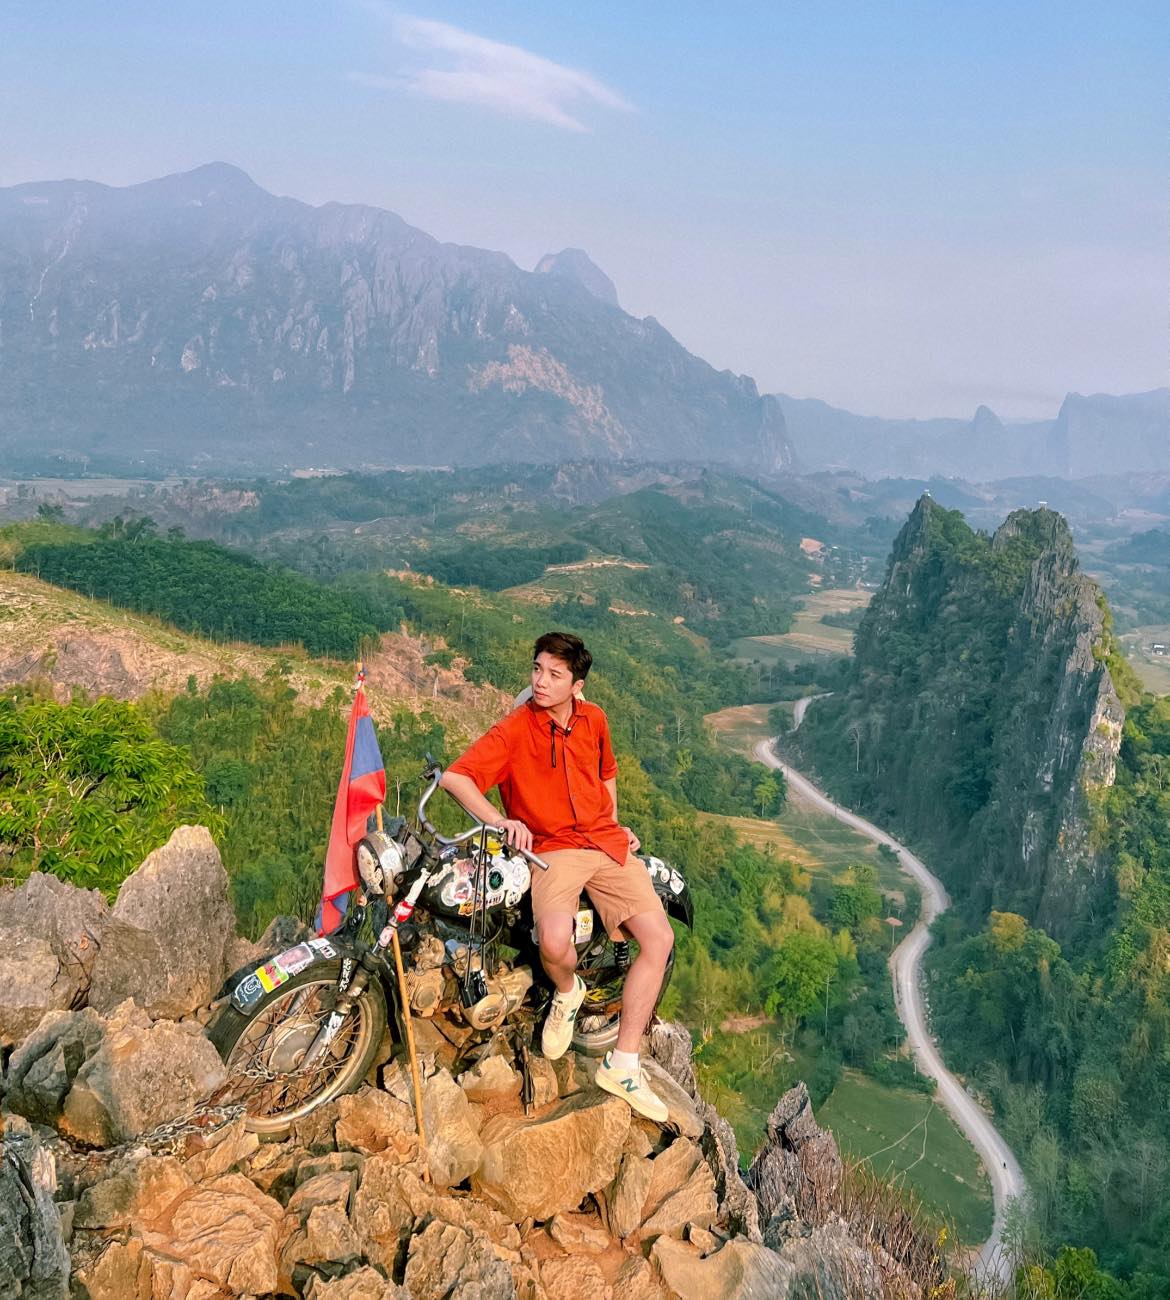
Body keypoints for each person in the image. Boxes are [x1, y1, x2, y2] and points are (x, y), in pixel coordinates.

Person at [439, 631, 674, 1121]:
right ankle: (568, 992)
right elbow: (456, 777)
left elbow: (607, 773)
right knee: (552, 942)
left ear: (576, 684)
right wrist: (501, 821)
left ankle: (624, 1063)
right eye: (537, 670)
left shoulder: (594, 720)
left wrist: (614, 821)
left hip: (604, 843)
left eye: (554, 674)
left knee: (659, 939)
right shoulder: (515, 731)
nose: (541, 681)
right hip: (553, 852)